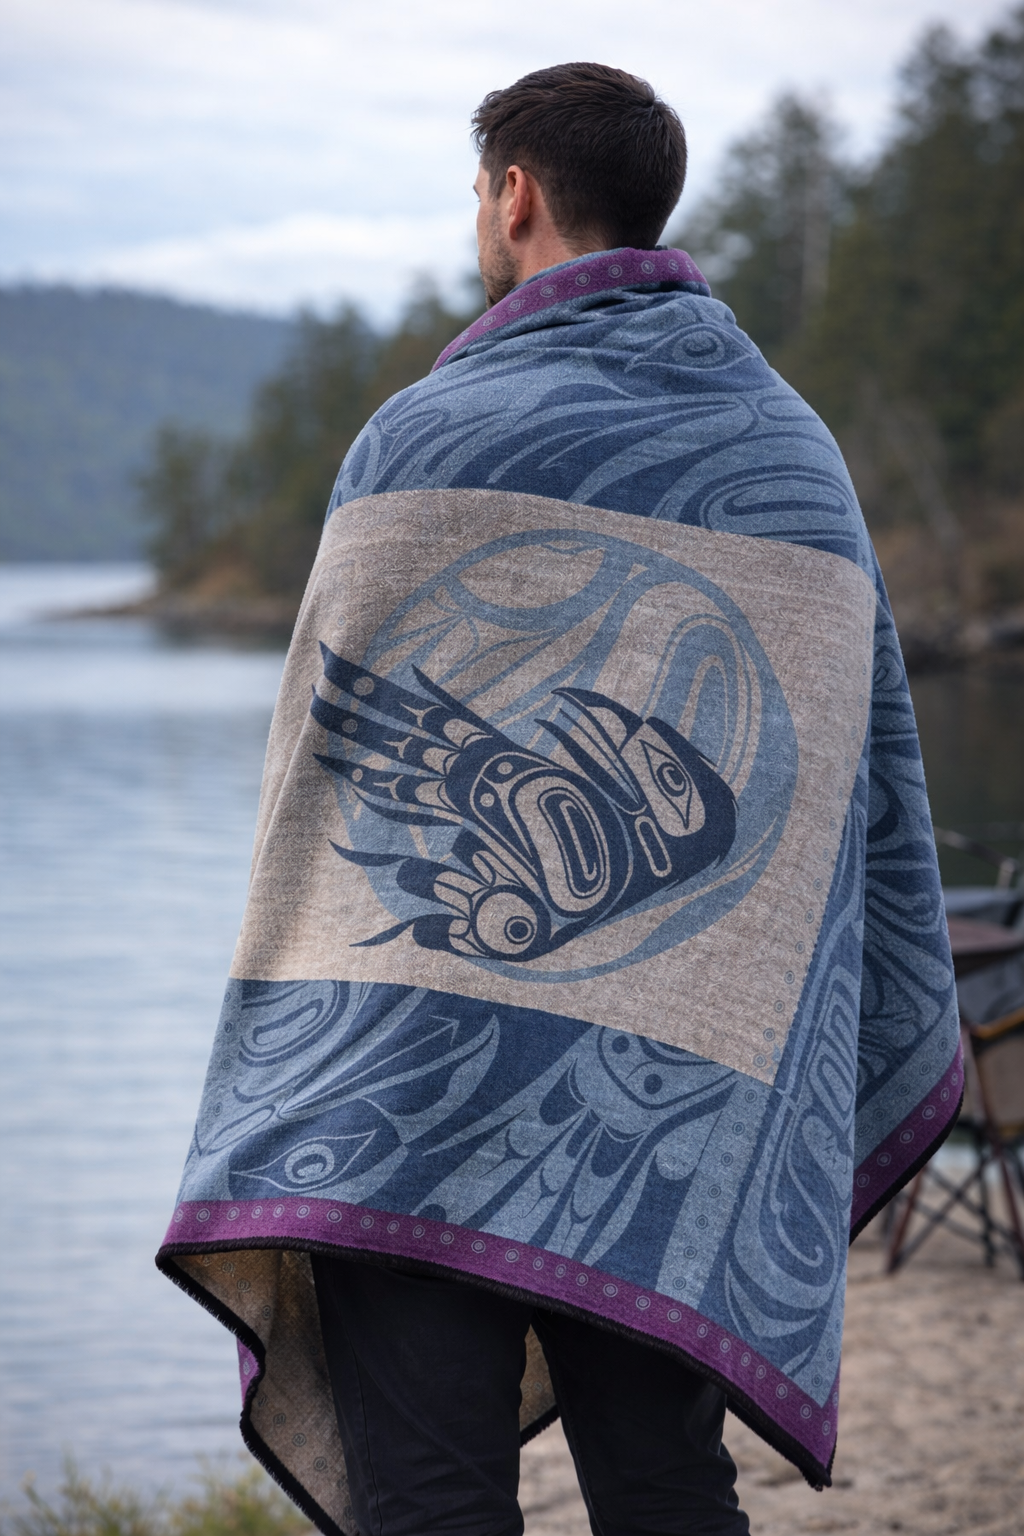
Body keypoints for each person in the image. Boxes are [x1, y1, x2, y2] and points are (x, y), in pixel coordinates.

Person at [158, 63, 961, 1536]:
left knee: (433, 1495)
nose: (481, 212)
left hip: (402, 1081)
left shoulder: (421, 441)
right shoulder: (792, 459)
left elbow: (326, 797)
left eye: (480, 190)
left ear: (514, 195)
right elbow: (850, 800)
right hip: (679, 1096)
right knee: (665, 1485)